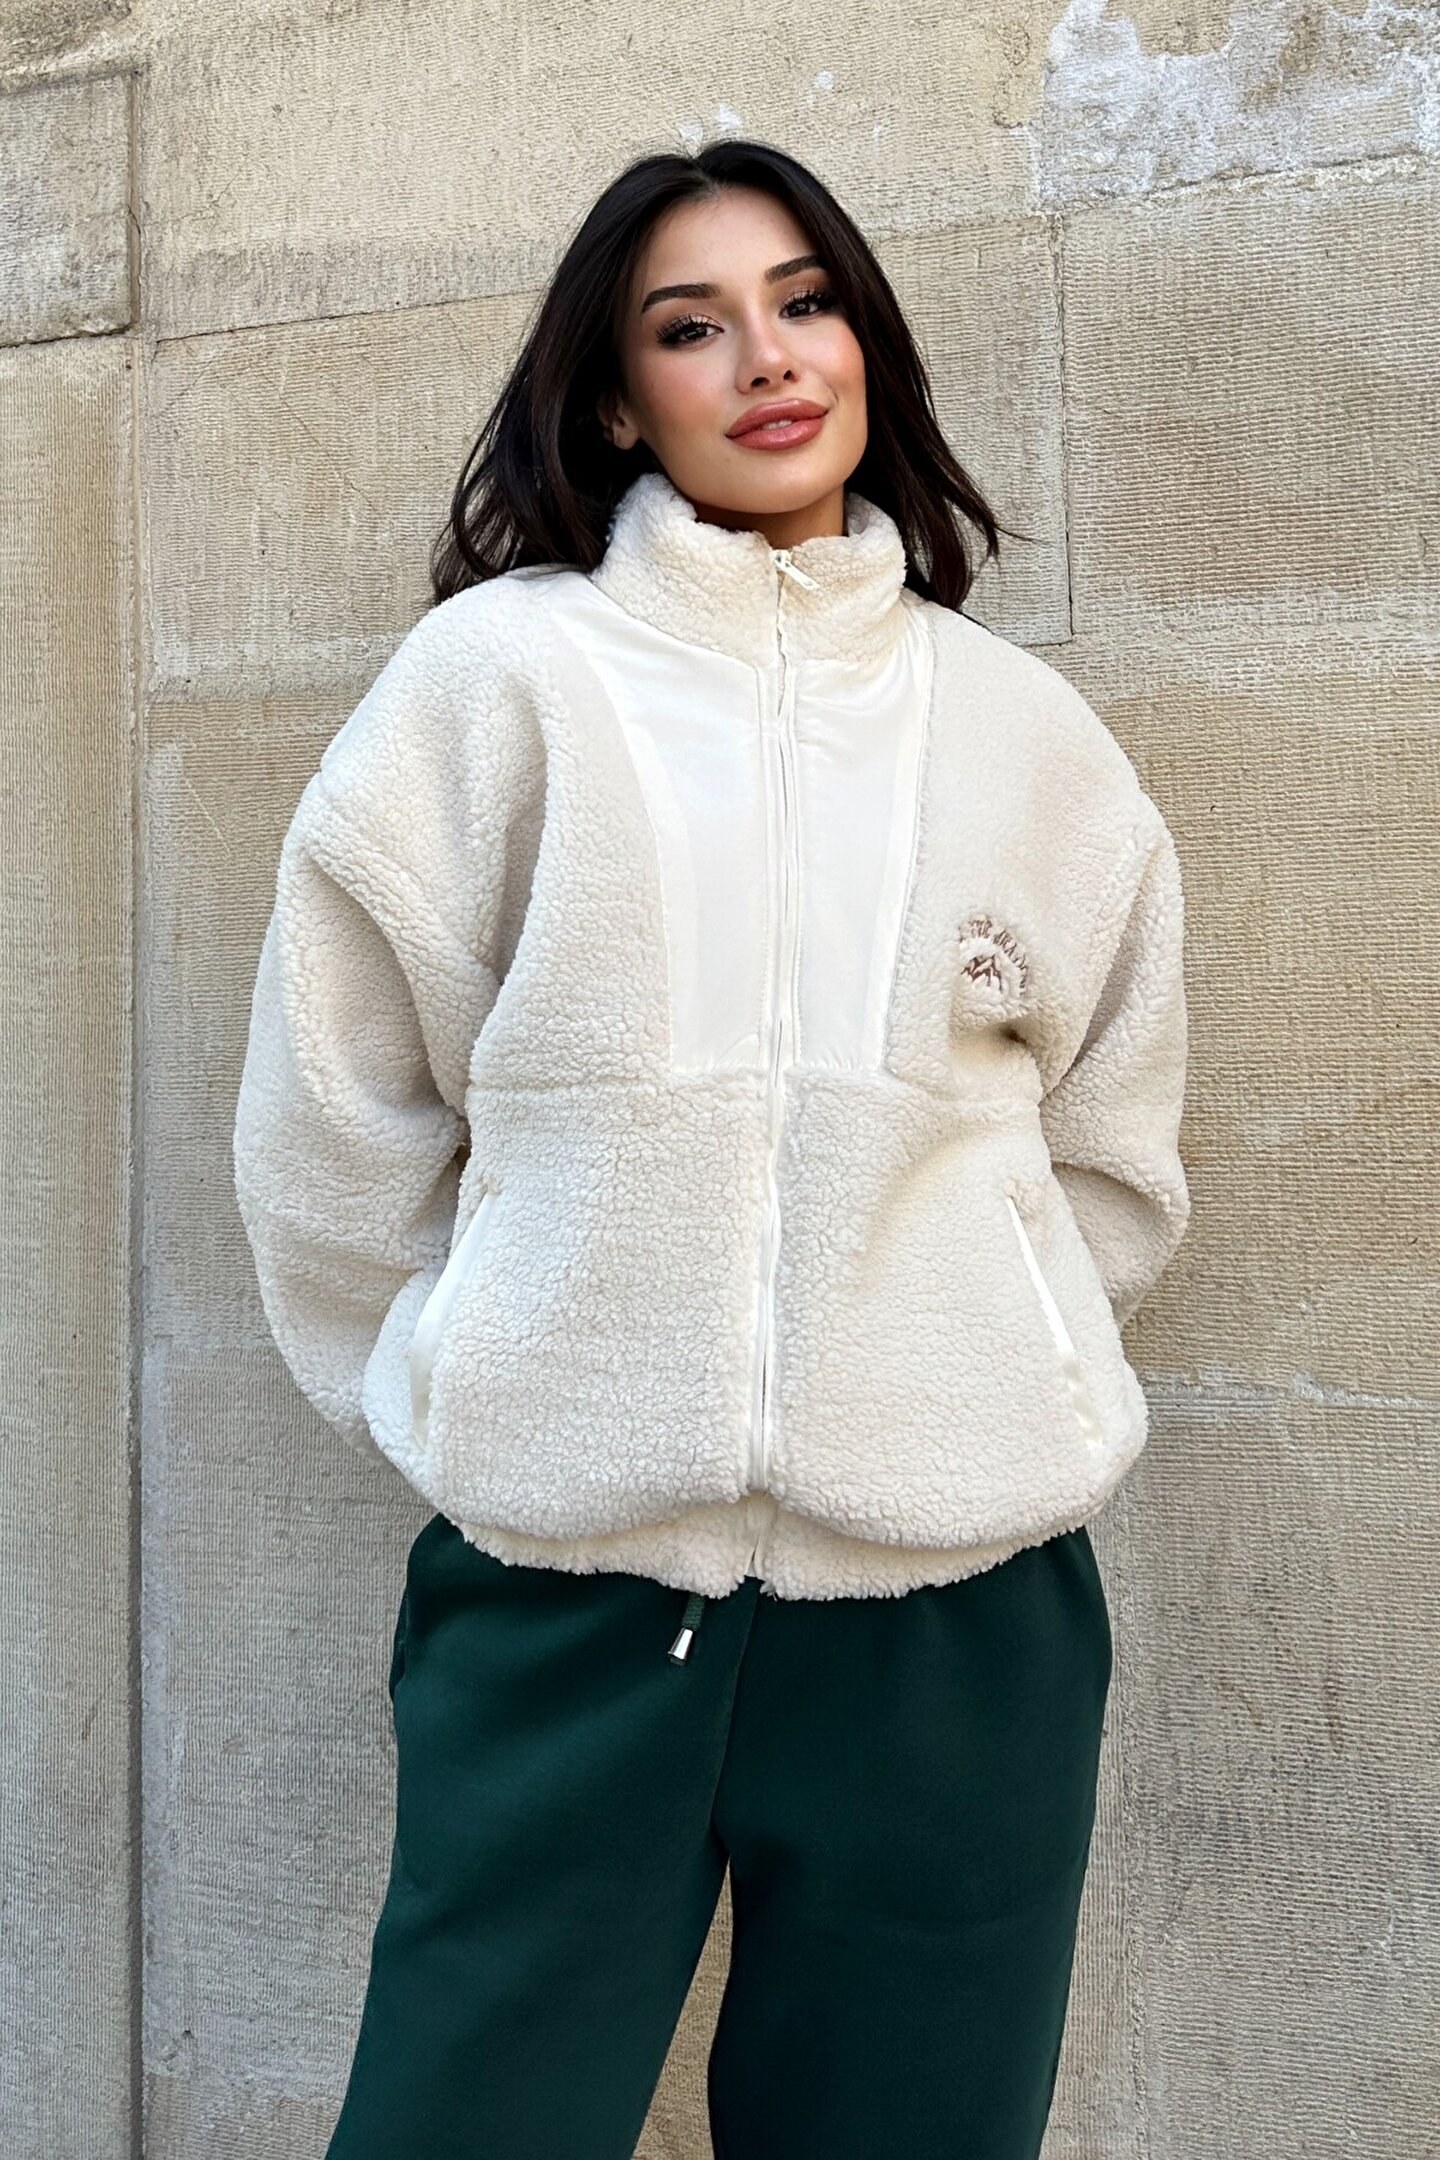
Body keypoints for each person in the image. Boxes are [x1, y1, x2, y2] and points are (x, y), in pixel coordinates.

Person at [233, 136, 1191, 2160]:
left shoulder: (1024, 736)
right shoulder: (498, 688)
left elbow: (1112, 1152)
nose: (768, 358)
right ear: (614, 397)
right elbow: (337, 1124)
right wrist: (476, 1375)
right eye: (692, 326)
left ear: (866, 343)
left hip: (956, 1612)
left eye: (806, 301)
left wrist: (976, 1355)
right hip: (571, 1601)